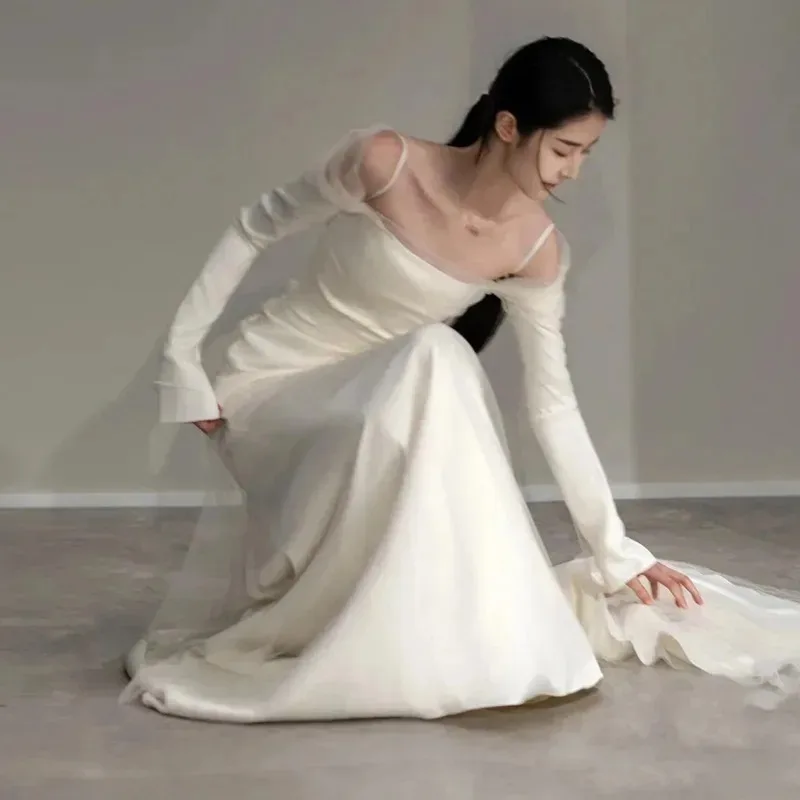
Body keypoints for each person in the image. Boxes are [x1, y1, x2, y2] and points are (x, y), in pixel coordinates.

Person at [122, 37, 800, 722]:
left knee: (437, 360)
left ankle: (427, 634)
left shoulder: (535, 249)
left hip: (377, 414)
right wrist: (182, 363)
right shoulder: (384, 164)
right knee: (436, 353)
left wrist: (615, 552)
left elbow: (553, 406)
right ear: (508, 126)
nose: (573, 172)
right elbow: (253, 227)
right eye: (564, 149)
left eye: (587, 154)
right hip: (272, 388)